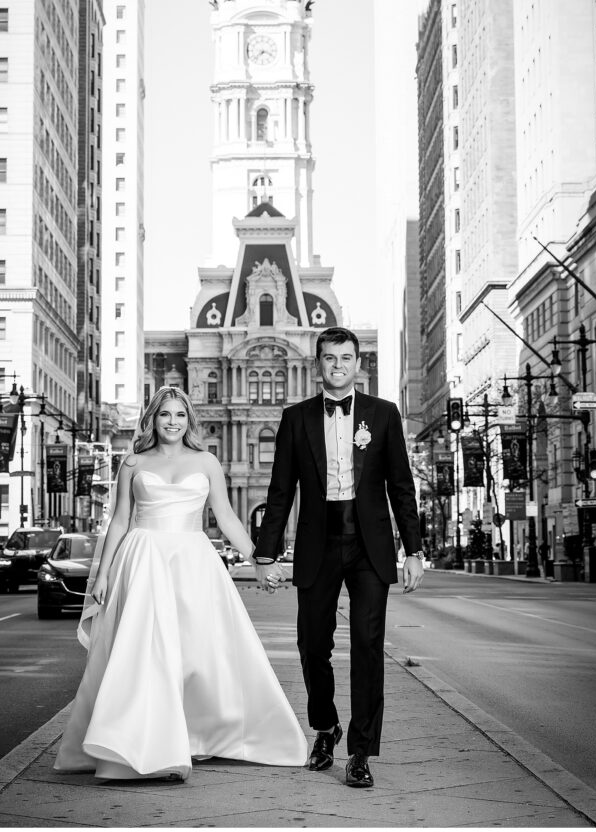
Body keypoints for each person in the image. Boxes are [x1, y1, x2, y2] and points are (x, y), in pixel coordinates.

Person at [55, 385, 307, 781]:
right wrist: (103, 574)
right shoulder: (133, 462)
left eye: (179, 415)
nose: (172, 422)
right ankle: (147, 746)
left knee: (196, 654)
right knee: (146, 655)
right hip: (143, 559)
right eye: (164, 414)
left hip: (193, 561)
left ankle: (195, 736)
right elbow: (120, 520)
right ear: (152, 419)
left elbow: (226, 517)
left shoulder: (206, 461)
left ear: (189, 420)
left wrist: (259, 559)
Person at [253, 327, 424, 789]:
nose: (338, 366)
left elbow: (401, 488)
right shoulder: (296, 418)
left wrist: (415, 549)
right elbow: (281, 490)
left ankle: (361, 751)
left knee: (368, 647)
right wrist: (266, 554)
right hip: (318, 541)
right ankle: (325, 728)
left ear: (357, 364)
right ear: (319, 365)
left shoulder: (383, 415)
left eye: (346, 358)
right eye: (329, 358)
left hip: (370, 545)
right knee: (313, 646)